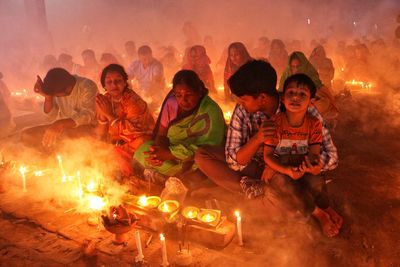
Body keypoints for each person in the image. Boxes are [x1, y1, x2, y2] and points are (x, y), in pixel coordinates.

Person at [195, 60, 338, 204]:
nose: (240, 103)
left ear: (262, 98)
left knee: (292, 184)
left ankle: (279, 200)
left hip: (292, 170)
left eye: (244, 99)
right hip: (257, 166)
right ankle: (252, 188)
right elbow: (234, 161)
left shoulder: (302, 109)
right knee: (203, 155)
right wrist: (258, 139)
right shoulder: (243, 111)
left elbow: (331, 158)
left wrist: (279, 166)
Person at [263, 73, 342, 237]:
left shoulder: (314, 124)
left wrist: (313, 167)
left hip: (302, 163)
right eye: (291, 93)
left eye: (302, 94)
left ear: (311, 101)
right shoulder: (275, 123)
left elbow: (313, 153)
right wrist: (287, 171)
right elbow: (268, 156)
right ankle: (318, 214)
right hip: (281, 167)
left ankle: (325, 205)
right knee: (286, 185)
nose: (295, 98)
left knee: (316, 179)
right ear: (283, 99)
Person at [134, 70, 225, 188]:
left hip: (197, 158)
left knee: (197, 176)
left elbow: (209, 148)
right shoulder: (171, 103)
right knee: (141, 153)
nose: (183, 100)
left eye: (189, 95)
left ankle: (167, 180)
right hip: (172, 150)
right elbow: (162, 135)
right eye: (178, 95)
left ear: (199, 92)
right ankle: (167, 180)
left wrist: (170, 154)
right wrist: (157, 154)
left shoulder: (210, 110)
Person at [96, 64, 155, 177]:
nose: (114, 85)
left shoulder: (133, 101)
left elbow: (134, 132)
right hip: (116, 142)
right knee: (98, 152)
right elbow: (101, 131)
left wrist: (109, 115)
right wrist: (98, 145)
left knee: (118, 154)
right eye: (109, 82)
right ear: (104, 85)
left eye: (118, 80)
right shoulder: (104, 100)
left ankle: (131, 177)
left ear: (125, 82)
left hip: (138, 141)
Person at [21, 68, 98, 150]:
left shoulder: (87, 86)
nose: (56, 97)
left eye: (56, 95)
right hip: (62, 127)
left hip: (86, 128)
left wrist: (60, 124)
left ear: (68, 88)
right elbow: (51, 117)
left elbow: (88, 115)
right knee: (27, 134)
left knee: (56, 141)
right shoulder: (57, 87)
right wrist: (48, 97)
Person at [279, 51, 338, 131]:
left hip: (308, 105)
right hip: (289, 106)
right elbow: (280, 93)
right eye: (293, 67)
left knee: (325, 103)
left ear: (303, 66)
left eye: (298, 66)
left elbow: (320, 93)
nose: (295, 69)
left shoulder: (310, 75)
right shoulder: (286, 75)